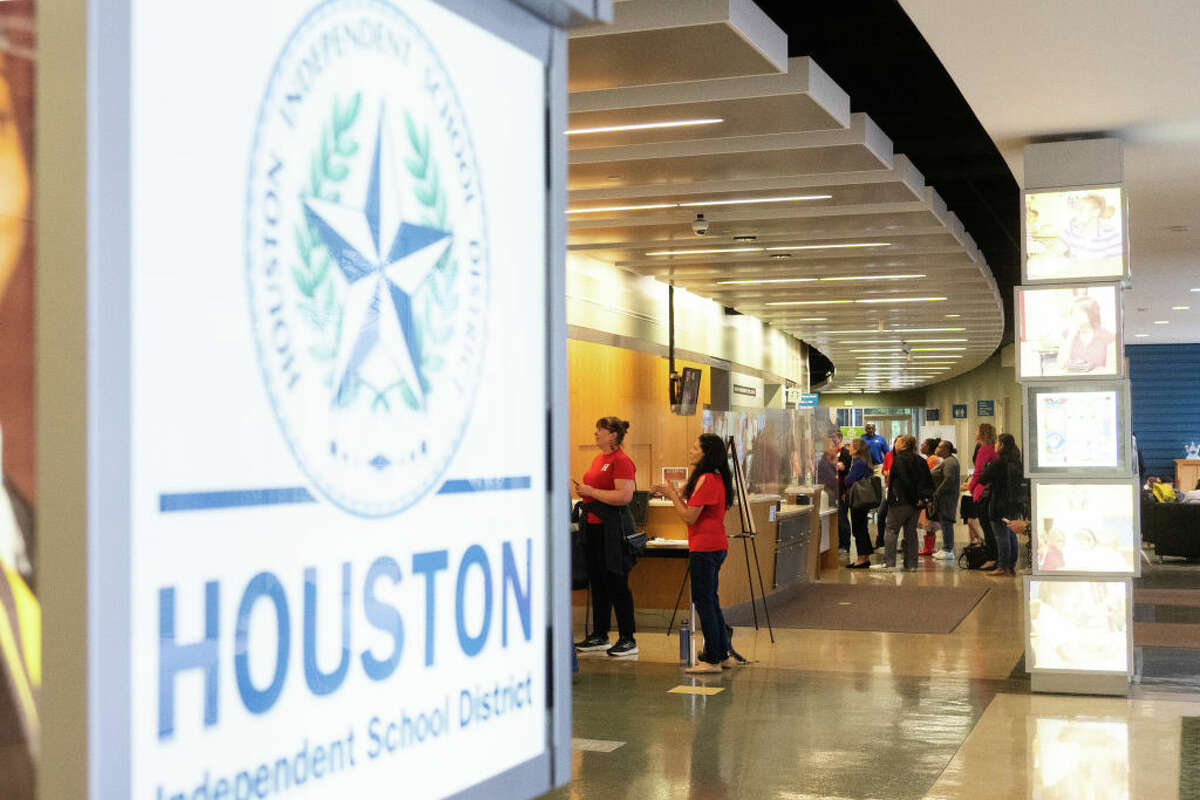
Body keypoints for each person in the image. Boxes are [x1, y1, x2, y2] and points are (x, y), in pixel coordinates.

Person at [653, 433, 735, 674]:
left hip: (705, 547)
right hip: (714, 545)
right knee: (711, 600)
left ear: (706, 453)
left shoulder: (708, 479)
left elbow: (690, 516)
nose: (691, 450)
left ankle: (711, 658)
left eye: (695, 447)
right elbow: (694, 508)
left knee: (704, 601)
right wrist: (674, 494)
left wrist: (671, 497)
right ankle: (721, 652)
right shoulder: (715, 478)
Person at [573, 416, 639, 657]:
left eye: (599, 430)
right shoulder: (599, 458)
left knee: (616, 583)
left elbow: (624, 496)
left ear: (612, 435)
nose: (595, 433)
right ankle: (600, 634)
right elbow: (596, 490)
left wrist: (592, 492)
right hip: (593, 528)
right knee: (598, 583)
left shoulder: (621, 461)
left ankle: (628, 637)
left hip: (612, 530)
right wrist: (585, 492)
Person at [871, 435, 933, 572]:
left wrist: (910, 497)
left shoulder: (899, 460)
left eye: (897, 441)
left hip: (901, 501)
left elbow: (904, 481)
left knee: (892, 530)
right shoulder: (921, 460)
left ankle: (889, 563)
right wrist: (921, 498)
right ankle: (911, 564)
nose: (895, 444)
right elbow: (928, 482)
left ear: (903, 444)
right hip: (916, 504)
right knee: (911, 532)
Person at [979, 433, 1024, 577]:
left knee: (1001, 536)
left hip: (998, 503)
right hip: (1014, 503)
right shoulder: (1017, 462)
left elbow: (983, 479)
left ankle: (1002, 566)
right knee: (1011, 534)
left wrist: (987, 467)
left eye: (997, 443)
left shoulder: (998, 463)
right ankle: (1010, 565)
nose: (995, 446)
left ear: (1002, 445)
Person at [963, 422, 998, 568]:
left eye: (976, 430)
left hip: (983, 491)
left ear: (982, 433)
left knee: (986, 525)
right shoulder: (995, 448)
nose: (974, 433)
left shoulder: (984, 449)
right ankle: (998, 557)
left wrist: (971, 487)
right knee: (993, 527)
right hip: (994, 491)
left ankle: (991, 558)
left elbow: (978, 472)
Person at [1056, 295, 1115, 373]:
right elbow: (1061, 365)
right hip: (1074, 382)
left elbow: (1112, 369)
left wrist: (1092, 370)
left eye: (1078, 313)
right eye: (1072, 313)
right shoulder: (1067, 334)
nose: (1074, 317)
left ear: (1091, 314)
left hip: (1099, 383)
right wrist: (1070, 338)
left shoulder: (1107, 336)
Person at [842, 438, 874, 569]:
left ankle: (861, 558)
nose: (847, 447)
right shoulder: (864, 462)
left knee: (858, 528)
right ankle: (865, 556)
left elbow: (849, 480)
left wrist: (845, 478)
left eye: (850, 446)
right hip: (863, 499)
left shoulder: (858, 463)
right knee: (863, 528)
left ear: (856, 449)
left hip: (858, 500)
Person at [930, 441, 960, 561]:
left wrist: (937, 492)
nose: (937, 449)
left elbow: (948, 479)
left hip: (947, 497)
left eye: (939, 447)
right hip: (944, 497)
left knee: (946, 522)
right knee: (944, 522)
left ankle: (948, 549)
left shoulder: (950, 462)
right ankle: (945, 548)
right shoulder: (946, 461)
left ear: (946, 449)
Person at [875, 435, 902, 548]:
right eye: (898, 442)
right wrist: (888, 473)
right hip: (889, 488)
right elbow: (884, 470)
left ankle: (899, 541)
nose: (899, 445)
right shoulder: (888, 455)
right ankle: (880, 538)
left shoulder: (904, 457)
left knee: (898, 517)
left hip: (900, 490)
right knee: (881, 514)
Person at [917, 438, 943, 555]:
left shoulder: (932, 460)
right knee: (929, 523)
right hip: (931, 494)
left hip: (930, 495)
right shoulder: (930, 459)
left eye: (924, 444)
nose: (921, 446)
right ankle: (928, 547)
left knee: (930, 522)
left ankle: (929, 548)